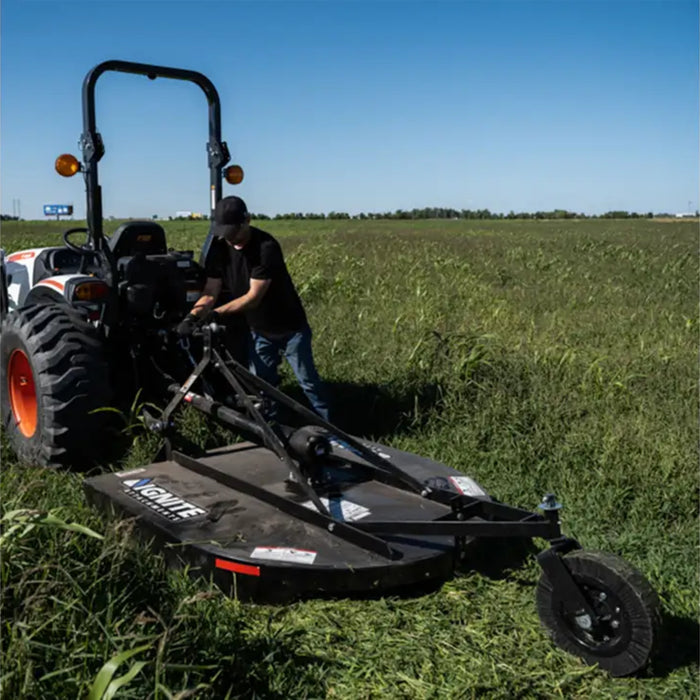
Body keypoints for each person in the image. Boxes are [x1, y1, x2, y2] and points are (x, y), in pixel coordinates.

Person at [177, 196, 330, 422]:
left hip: (290, 329)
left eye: (234, 232)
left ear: (246, 220)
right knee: (263, 386)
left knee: (308, 382)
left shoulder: (265, 247)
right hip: (259, 330)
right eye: (225, 233)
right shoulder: (219, 248)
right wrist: (192, 317)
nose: (230, 239)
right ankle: (274, 430)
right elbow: (211, 290)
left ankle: (332, 430)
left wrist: (216, 313)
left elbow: (252, 298)